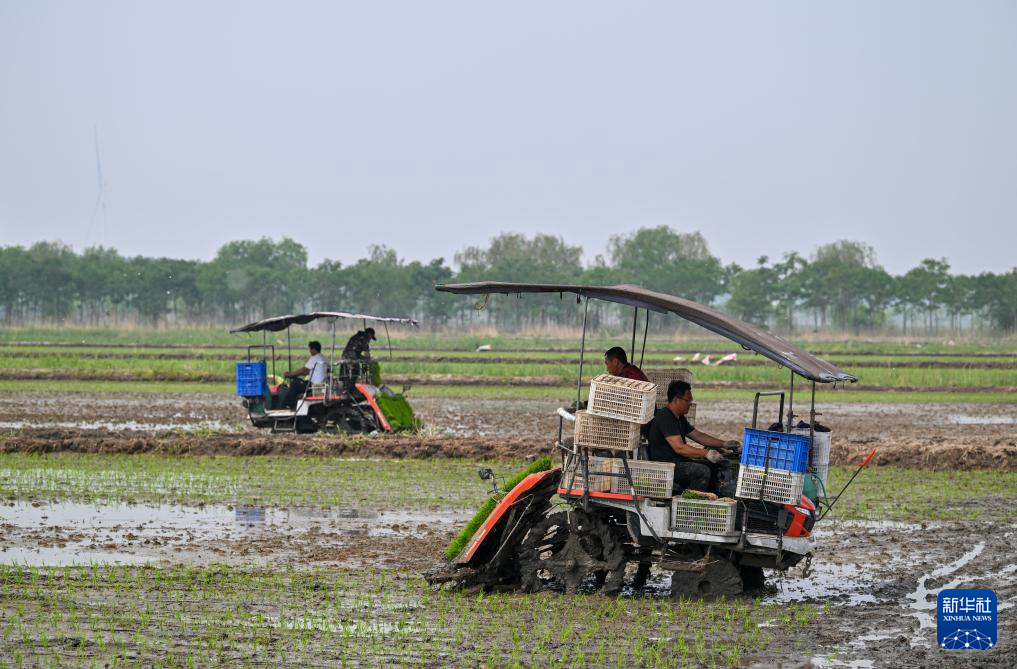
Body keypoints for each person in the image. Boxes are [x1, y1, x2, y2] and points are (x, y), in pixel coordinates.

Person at [646, 380, 740, 492]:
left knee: (713, 467)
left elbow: (699, 436)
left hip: (678, 462)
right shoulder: (665, 417)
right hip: (667, 466)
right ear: (676, 400)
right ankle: (688, 502)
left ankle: (710, 499)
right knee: (702, 471)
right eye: (688, 400)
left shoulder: (679, 418)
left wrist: (724, 444)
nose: (690, 404)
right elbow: (679, 448)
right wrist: (706, 453)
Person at [282, 341, 329, 409]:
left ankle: (287, 405)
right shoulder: (323, 358)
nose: (309, 351)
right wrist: (297, 374)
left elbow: (304, 370)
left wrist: (290, 374)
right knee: (298, 381)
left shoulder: (315, 357)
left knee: (295, 383)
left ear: (313, 349)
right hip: (321, 384)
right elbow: (308, 372)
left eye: (310, 349)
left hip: (313, 385)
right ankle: (294, 405)